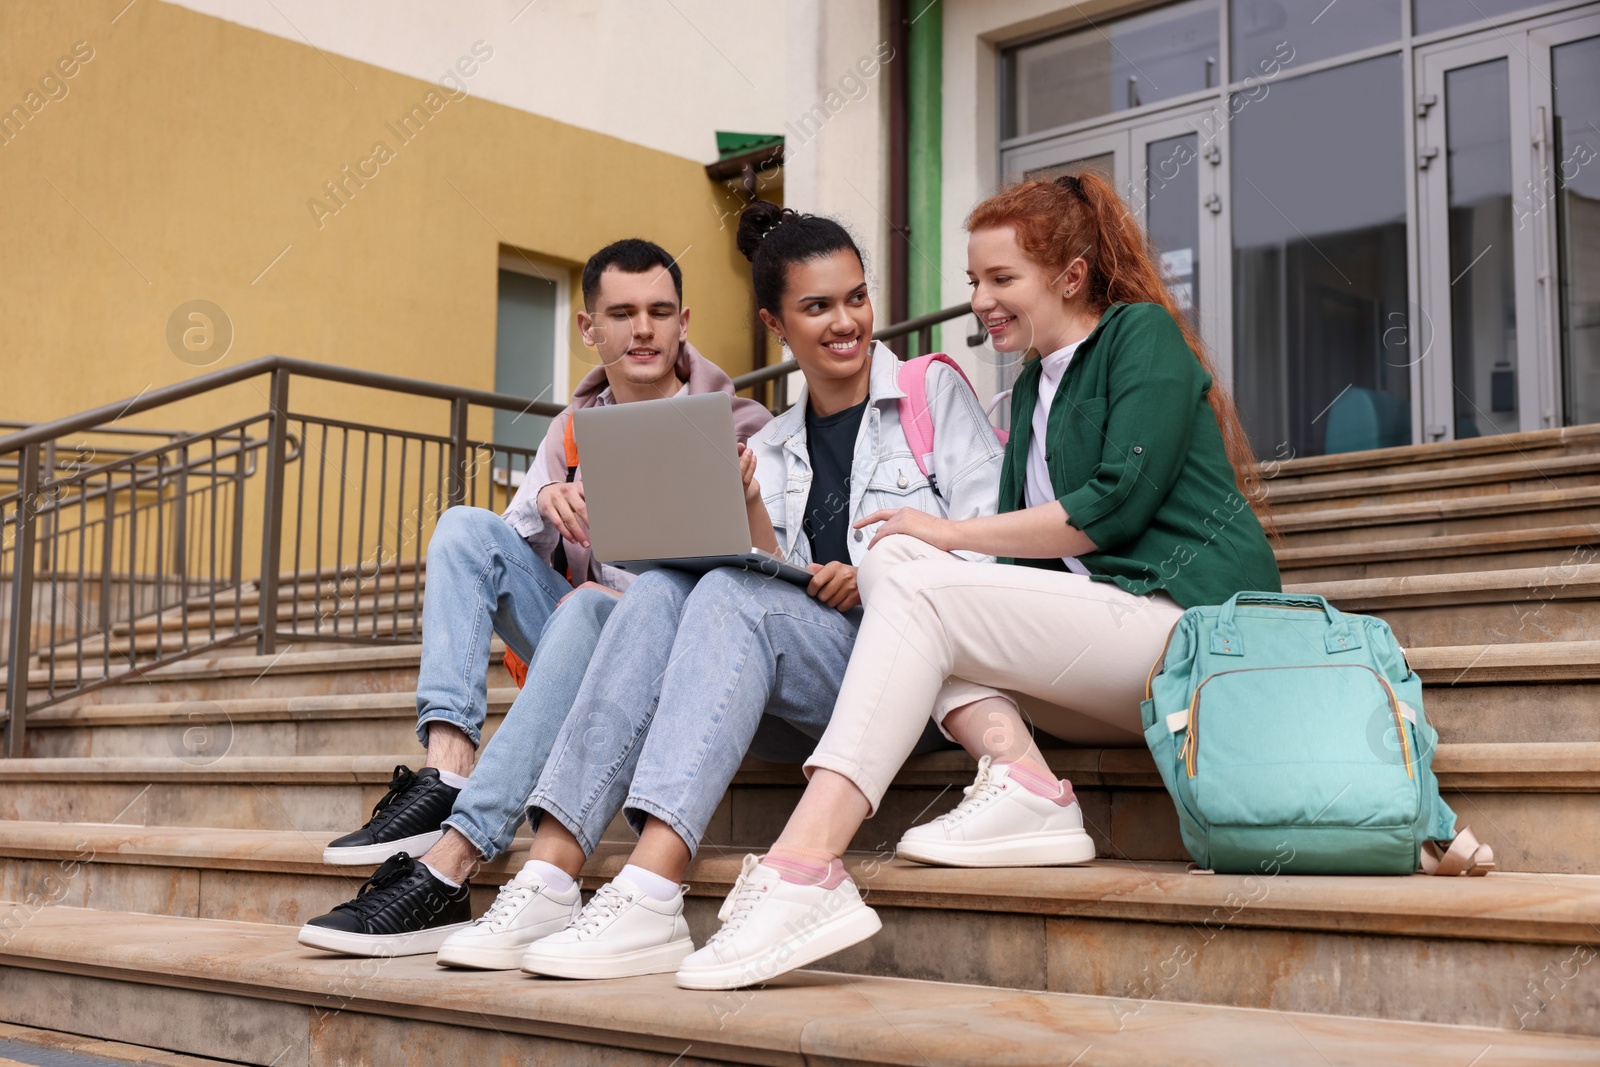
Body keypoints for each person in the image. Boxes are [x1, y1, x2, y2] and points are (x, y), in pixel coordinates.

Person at [674, 172, 1283, 991]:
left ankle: (807, 862)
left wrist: (942, 533)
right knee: (908, 573)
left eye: (1002, 280)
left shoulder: (1141, 338)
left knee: (900, 558)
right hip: (1102, 659)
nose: (980, 301)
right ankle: (1024, 777)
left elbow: (1110, 507)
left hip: (1192, 635)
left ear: (1068, 276)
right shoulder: (1032, 384)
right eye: (973, 282)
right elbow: (1014, 568)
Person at [422, 201, 1005, 979]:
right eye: (818, 305)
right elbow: (780, 579)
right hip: (810, 690)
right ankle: (551, 874)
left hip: (920, 685)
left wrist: (876, 580)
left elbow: (990, 555)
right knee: (663, 584)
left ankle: (654, 888)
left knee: (722, 594)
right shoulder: (770, 444)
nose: (846, 322)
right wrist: (753, 513)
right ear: (776, 323)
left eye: (856, 297)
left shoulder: (931, 395)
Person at [298, 238, 770, 956]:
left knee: (587, 607)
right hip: (576, 638)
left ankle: (452, 865)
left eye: (659, 312)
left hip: (670, 657)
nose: (642, 329)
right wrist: (546, 496)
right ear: (590, 328)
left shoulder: (741, 427)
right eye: (622, 313)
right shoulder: (570, 429)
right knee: (463, 526)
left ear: (683, 323)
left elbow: (771, 586)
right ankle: (449, 770)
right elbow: (508, 541)